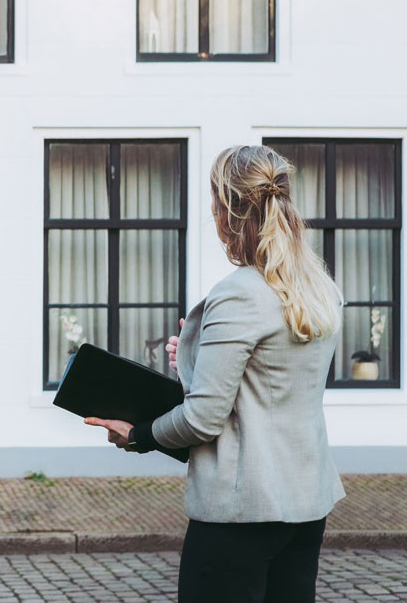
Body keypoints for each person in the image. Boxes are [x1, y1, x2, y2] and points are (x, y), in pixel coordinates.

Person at [84, 144, 346, 603]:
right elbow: (272, 384)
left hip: (241, 514)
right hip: (305, 506)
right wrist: (197, 356)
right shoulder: (319, 286)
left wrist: (139, 433)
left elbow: (204, 418)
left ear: (227, 208)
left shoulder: (241, 292)